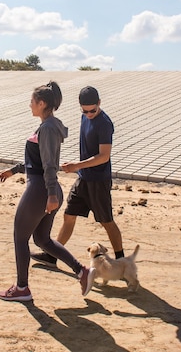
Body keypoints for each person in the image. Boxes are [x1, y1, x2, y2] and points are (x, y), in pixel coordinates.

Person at [0, 81, 96, 302]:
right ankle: (82, 272)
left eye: (32, 101)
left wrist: (51, 193)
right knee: (42, 239)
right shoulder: (47, 126)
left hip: (42, 190)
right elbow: (38, 161)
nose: (29, 105)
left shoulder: (49, 128)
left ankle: (22, 288)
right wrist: (14, 171)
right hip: (44, 189)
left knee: (20, 237)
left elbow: (50, 164)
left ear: (42, 103)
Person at [31, 86, 124, 268]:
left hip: (99, 181)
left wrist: (77, 166)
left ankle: (121, 261)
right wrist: (77, 167)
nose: (88, 114)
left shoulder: (104, 124)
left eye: (92, 110)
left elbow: (104, 155)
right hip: (83, 178)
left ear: (99, 103)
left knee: (106, 221)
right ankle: (52, 255)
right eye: (84, 110)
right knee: (69, 215)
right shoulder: (84, 116)